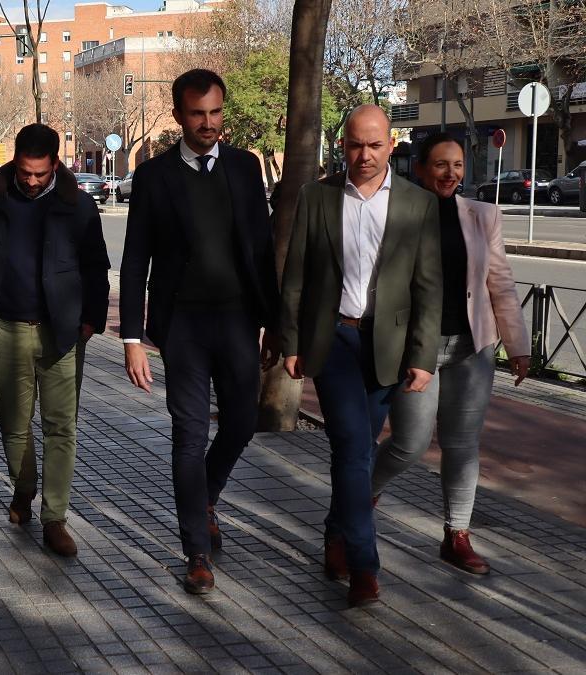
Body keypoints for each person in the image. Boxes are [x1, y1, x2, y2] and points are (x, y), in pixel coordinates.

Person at [120, 69, 281, 595]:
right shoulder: (154, 177)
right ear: (178, 116)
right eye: (198, 114)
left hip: (237, 320)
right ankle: (195, 550)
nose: (209, 123)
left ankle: (206, 496)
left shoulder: (244, 168)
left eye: (215, 113)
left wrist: (274, 322)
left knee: (241, 423)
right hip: (182, 326)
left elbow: (260, 250)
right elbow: (136, 256)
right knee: (188, 435)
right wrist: (132, 338)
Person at [279, 105, 443, 608]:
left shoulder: (418, 205)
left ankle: (334, 533)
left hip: (389, 349)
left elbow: (428, 288)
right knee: (351, 450)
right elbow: (296, 278)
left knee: (360, 453)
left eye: (374, 145)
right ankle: (364, 566)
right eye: (355, 145)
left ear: (390, 144)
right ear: (342, 144)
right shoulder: (319, 197)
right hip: (336, 342)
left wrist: (423, 357)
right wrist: (290, 342)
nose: (364, 155)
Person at [372, 133, 530, 575]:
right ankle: (361, 494)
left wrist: (517, 346)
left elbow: (500, 282)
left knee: (462, 444)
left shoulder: (483, 216)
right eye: (440, 164)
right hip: (414, 349)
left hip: (470, 347)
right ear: (420, 168)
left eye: (458, 164)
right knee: (411, 442)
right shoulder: (395, 212)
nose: (450, 173)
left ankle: (456, 534)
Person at [0, 123, 110, 557]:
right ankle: (24, 487)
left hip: (61, 332)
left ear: (54, 166)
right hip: (6, 329)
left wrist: (91, 322)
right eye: (25, 173)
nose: (31, 181)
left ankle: (55, 518)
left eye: (40, 174)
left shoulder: (78, 206)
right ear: (15, 162)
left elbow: (96, 268)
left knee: (60, 427)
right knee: (11, 422)